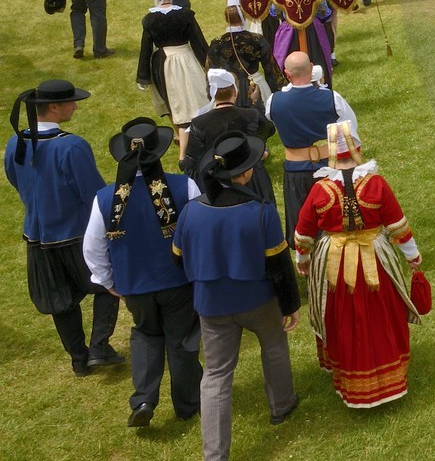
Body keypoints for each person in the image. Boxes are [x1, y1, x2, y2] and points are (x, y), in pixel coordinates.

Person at [171, 135, 302, 457]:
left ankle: (214, 454)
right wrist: (291, 306)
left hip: (212, 305)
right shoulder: (261, 211)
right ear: (244, 174)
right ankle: (281, 406)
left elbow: (177, 256)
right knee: (273, 347)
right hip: (258, 301)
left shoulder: (190, 211)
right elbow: (279, 265)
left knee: (216, 375)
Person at [293, 122, 424, 408]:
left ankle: (351, 375)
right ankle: (389, 373)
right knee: (381, 313)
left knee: (343, 316)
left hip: (333, 262)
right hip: (375, 256)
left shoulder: (320, 189)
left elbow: (302, 233)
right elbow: (397, 225)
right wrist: (412, 256)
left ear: (331, 155)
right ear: (358, 150)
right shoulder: (375, 183)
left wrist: (302, 261)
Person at [82, 118, 202, 427]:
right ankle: (188, 404)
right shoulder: (184, 186)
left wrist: (109, 282)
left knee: (146, 334)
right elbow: (199, 231)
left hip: (134, 285)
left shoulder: (105, 198)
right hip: (179, 281)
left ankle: (145, 398)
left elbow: (92, 248)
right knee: (180, 340)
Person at [5, 78, 122, 376]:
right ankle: (99, 347)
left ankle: (79, 360)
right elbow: (93, 193)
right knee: (108, 283)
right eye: (71, 102)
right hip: (77, 234)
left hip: (37, 235)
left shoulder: (14, 142)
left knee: (60, 301)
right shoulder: (72, 146)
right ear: (54, 107)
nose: (75, 106)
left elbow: (15, 179)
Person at [265, 52, 358, 232]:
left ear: (287, 73)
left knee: (303, 226)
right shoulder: (333, 98)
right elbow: (351, 130)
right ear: (312, 68)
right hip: (330, 167)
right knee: (334, 223)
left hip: (295, 172)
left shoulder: (273, 101)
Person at [136, 0, 210, 158]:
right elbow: (198, 42)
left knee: (172, 98)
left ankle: (180, 132)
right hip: (185, 57)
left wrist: (143, 75)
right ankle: (197, 130)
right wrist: (209, 64)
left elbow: (145, 49)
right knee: (194, 92)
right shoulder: (185, 15)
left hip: (163, 62)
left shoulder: (150, 19)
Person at [182, 71, 278, 207]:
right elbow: (268, 130)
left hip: (218, 182)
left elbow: (191, 163)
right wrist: (256, 103)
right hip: (252, 177)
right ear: (235, 92)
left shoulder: (199, 122)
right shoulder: (251, 114)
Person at [209, 0, 283, 109]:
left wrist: (212, 94)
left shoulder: (217, 42)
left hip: (230, 89)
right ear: (244, 16)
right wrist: (278, 91)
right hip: (255, 85)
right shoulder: (257, 39)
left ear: (226, 19)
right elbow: (270, 68)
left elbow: (210, 70)